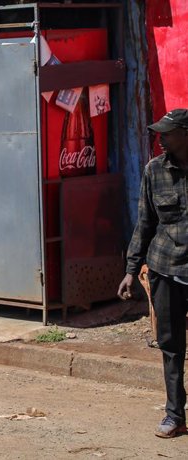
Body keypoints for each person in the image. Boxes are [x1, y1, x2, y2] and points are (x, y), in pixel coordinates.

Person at [118, 108, 188, 438]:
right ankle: (175, 414)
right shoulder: (154, 170)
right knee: (171, 345)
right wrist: (132, 270)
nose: (160, 138)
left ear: (185, 134)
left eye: (167, 132)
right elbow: (145, 222)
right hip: (165, 268)